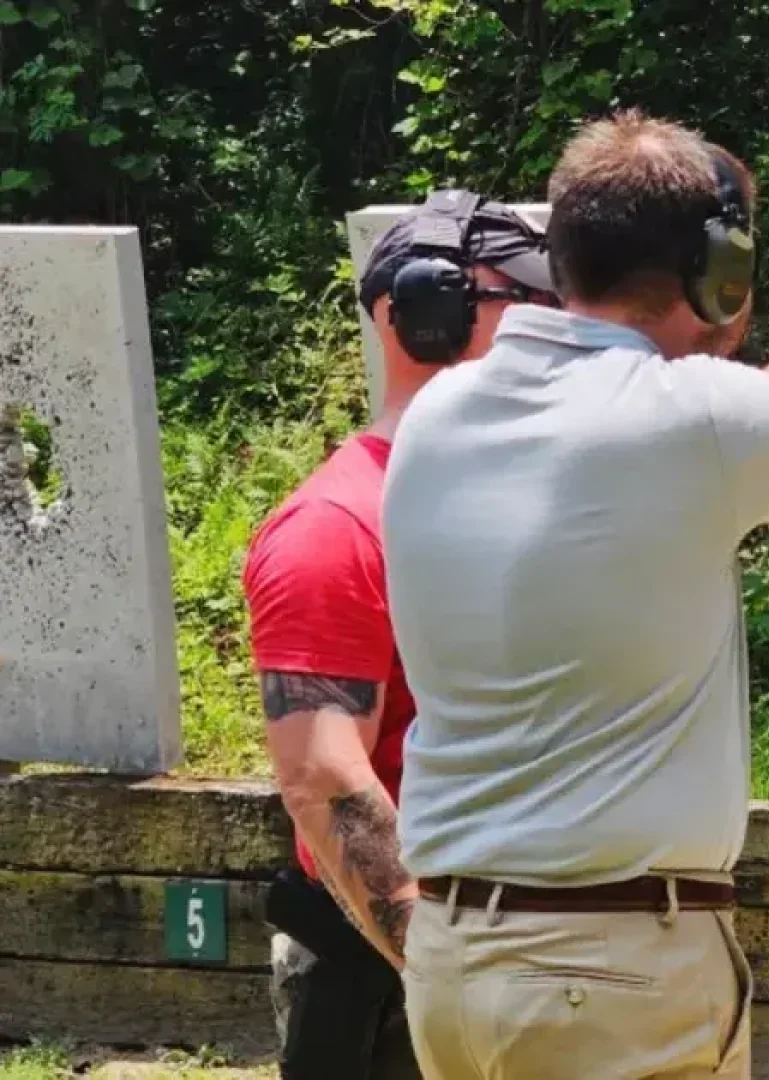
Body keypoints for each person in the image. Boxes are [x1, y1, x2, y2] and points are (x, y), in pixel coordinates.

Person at [379, 109, 769, 1079]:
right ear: (724, 276)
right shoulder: (696, 423)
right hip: (609, 969)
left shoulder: (443, 410)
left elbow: (697, 413)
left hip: (457, 961)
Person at [242, 190, 558, 1079]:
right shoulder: (334, 527)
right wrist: (449, 972)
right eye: (526, 304)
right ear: (417, 314)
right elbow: (326, 780)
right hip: (402, 980)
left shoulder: (521, 497)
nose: (553, 328)